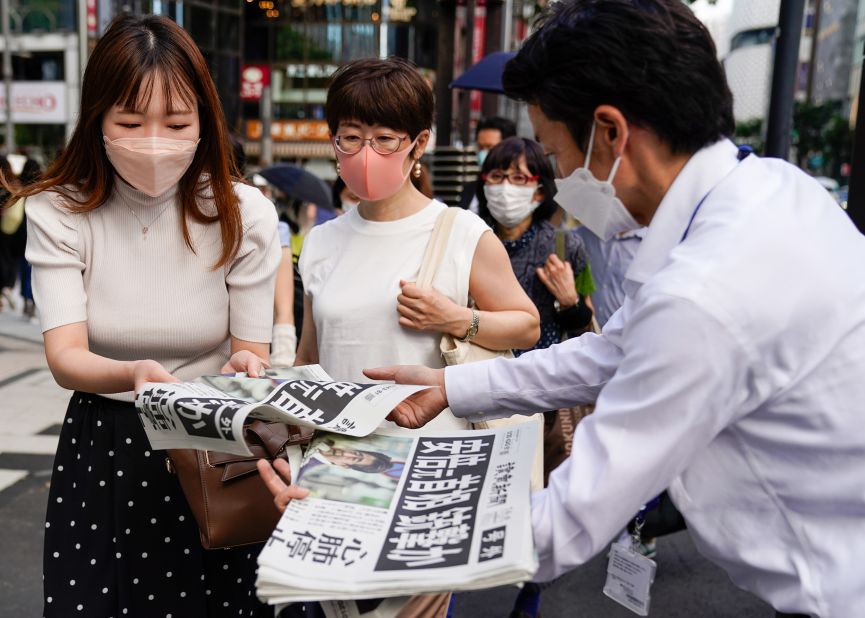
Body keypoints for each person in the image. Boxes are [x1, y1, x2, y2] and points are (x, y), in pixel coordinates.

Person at [265, 2, 865, 615]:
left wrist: (361, 525)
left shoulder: (705, 294)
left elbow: (575, 514)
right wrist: (453, 386)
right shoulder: (773, 190)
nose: (558, 177)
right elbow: (610, 351)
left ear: (610, 132)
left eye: (552, 156)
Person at [15, 15, 280, 617]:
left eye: (177, 123)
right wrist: (132, 373)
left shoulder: (246, 213)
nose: (154, 140)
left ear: (205, 121)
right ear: (97, 119)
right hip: (107, 446)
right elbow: (66, 358)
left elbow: (251, 350)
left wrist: (248, 363)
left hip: (215, 442)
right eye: (130, 122)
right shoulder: (59, 211)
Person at [262, 56, 539, 618]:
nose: (366, 154)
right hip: (336, 470)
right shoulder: (322, 239)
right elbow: (313, 354)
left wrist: (453, 317)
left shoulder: (460, 231)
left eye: (385, 139)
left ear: (418, 145)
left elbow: (527, 325)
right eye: (350, 138)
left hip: (430, 478)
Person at [477, 136, 594, 354]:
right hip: (480, 372)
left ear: (539, 191)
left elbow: (588, 337)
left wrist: (571, 302)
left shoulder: (565, 246)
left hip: (541, 378)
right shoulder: (471, 240)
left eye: (518, 178)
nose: (505, 186)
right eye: (496, 176)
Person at [458, 116, 517, 212]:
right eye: (480, 147)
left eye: (490, 147)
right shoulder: (469, 189)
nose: (483, 153)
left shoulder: (518, 190)